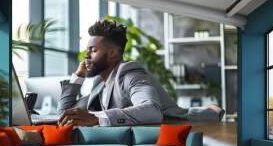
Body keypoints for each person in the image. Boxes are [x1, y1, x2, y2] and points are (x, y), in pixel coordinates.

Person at [57, 19, 224, 126]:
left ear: (113, 53)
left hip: (186, 121)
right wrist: (78, 76)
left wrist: (96, 118)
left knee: (207, 112)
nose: (86, 55)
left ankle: (212, 110)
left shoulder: (130, 73)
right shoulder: (100, 82)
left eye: (93, 50)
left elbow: (151, 111)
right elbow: (64, 115)